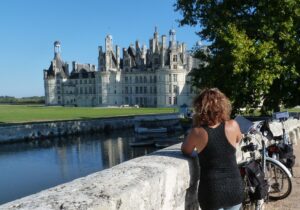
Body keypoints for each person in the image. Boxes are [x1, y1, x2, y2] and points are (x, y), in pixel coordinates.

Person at [181, 88, 244, 210]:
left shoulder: (197, 132)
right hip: (234, 187)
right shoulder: (233, 125)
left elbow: (186, 150)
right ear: (223, 106)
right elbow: (238, 139)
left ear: (200, 109)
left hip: (211, 190)